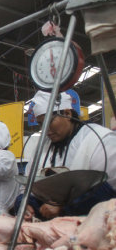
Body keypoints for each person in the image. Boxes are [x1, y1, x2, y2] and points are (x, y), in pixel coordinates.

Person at [15, 90, 116, 220]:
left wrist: (65, 207)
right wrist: (26, 204)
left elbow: (111, 190)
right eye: (41, 124)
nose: (45, 129)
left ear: (67, 113)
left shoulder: (100, 140)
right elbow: (28, 186)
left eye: (49, 121)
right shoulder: (42, 148)